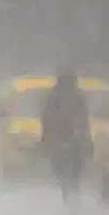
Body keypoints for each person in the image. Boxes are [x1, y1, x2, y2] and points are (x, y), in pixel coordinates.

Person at [40, 67, 92, 204]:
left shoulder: (55, 96)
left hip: (66, 138)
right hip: (65, 138)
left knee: (68, 169)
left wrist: (45, 138)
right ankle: (71, 193)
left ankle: (70, 193)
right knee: (70, 170)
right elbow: (84, 119)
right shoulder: (74, 96)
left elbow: (46, 118)